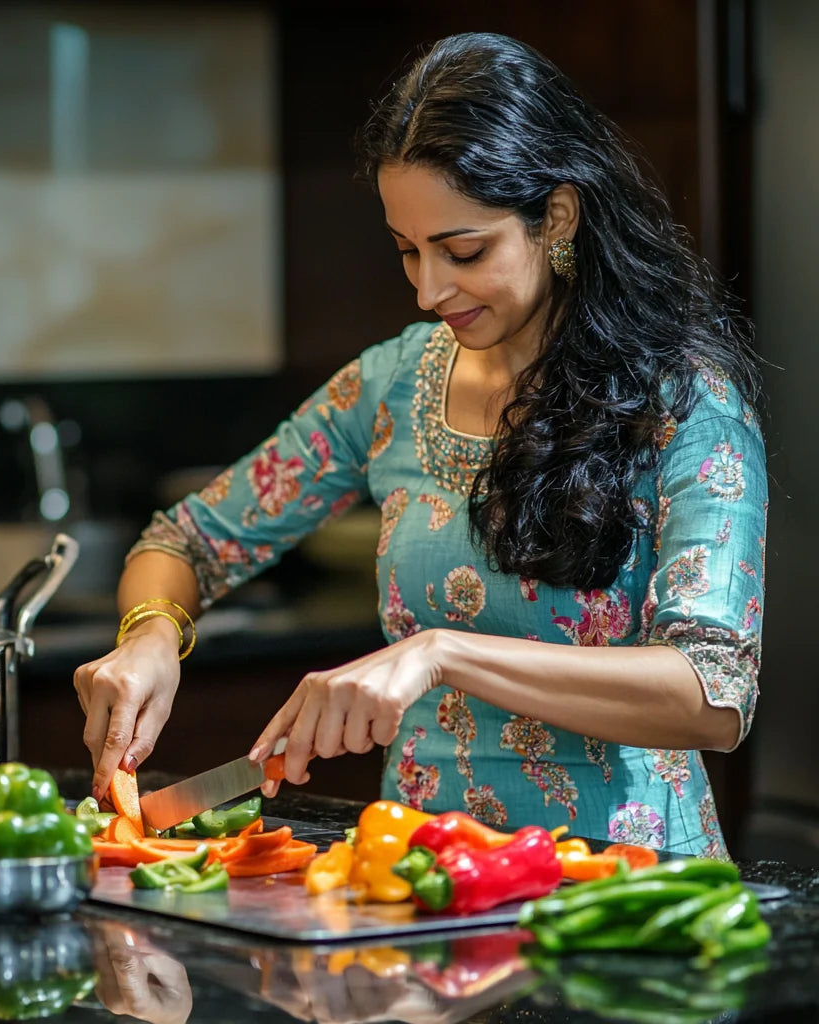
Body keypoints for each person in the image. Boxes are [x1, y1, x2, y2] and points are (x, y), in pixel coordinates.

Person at [74, 32, 767, 857]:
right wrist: (151, 635)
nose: (428, 290)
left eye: (463, 251)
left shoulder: (684, 403)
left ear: (556, 216)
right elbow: (184, 541)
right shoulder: (392, 386)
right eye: (408, 249)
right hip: (422, 889)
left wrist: (441, 653)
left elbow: (712, 694)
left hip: (620, 894)